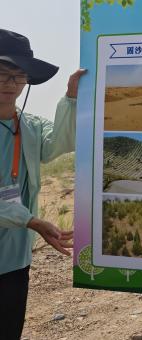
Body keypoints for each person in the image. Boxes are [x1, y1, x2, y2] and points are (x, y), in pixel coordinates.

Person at [0, 29, 86, 340]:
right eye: (2, 73)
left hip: (14, 260)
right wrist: (32, 221)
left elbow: (59, 143)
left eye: (18, 75)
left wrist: (72, 99)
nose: (10, 83)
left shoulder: (30, 126)